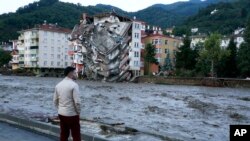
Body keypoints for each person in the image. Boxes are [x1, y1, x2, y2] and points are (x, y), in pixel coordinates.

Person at [53, 67, 81, 141]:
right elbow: (77, 102)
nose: (76, 74)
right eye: (75, 73)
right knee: (76, 134)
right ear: (70, 73)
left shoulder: (58, 85)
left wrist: (60, 109)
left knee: (64, 133)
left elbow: (55, 100)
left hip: (61, 114)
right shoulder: (74, 85)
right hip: (72, 114)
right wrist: (78, 112)